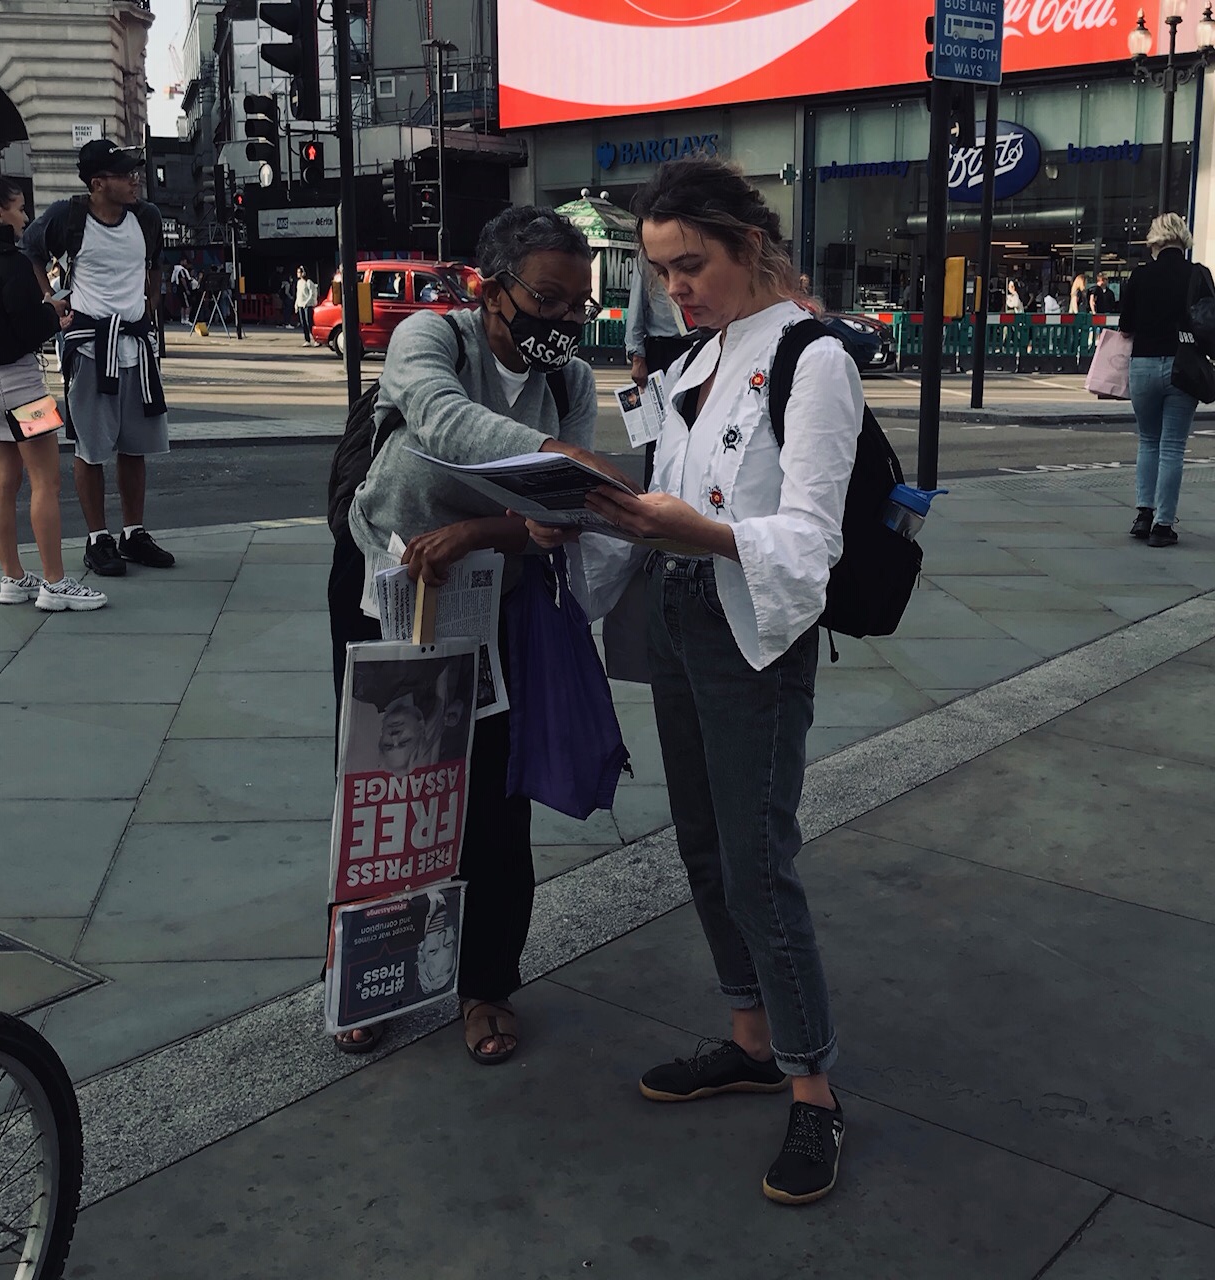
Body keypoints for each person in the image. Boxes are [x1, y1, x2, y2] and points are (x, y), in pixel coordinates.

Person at [532, 156, 860, 1205]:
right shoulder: (694, 359)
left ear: (749, 247)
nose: (675, 286)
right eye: (660, 270)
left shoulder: (814, 358)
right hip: (677, 612)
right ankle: (748, 1036)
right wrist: (588, 504)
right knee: (703, 841)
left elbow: (810, 539)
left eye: (690, 265)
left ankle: (812, 1090)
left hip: (749, 626)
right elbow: (660, 492)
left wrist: (700, 530)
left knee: (759, 855)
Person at [327, 205, 617, 1063]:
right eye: (550, 301)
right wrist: (561, 471)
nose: (565, 322)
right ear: (494, 292)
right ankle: (367, 971)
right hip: (384, 581)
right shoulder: (431, 339)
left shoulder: (572, 385)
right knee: (383, 787)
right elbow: (444, 424)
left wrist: (485, 529)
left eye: (579, 308)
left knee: (494, 798)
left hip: (500, 598)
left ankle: (487, 983)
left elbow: (558, 518)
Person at [0, 170, 106, 611]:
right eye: (19, 207)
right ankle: (55, 582)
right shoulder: (10, 262)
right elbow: (28, 325)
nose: (25, 214)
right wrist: (53, 314)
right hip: (22, 384)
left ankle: (13, 578)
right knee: (45, 482)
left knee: (2, 482)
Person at [21, 139, 174, 578]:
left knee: (135, 444)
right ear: (97, 183)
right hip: (90, 345)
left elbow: (155, 262)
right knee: (91, 447)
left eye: (134, 173)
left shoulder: (146, 217)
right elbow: (30, 251)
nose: (135, 180)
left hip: (136, 345)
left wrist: (153, 299)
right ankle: (97, 538)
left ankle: (133, 532)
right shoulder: (68, 217)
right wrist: (50, 298)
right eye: (125, 175)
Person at [1119, 213, 1205, 548]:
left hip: (1142, 364)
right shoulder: (1198, 275)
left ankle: (1143, 514)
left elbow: (1126, 324)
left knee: (1148, 442)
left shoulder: (1140, 275)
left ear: (1154, 240)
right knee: (1172, 447)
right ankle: (1163, 525)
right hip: (1183, 366)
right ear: (1183, 239)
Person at [625, 249, 696, 486]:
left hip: (698, 345)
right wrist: (637, 356)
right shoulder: (647, 256)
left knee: (694, 427)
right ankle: (654, 490)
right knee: (658, 433)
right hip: (662, 349)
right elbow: (636, 304)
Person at [171, 253, 196, 325]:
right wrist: (187, 289)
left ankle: (182, 319)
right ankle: (186, 319)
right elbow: (183, 279)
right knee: (188, 305)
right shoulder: (181, 270)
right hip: (183, 290)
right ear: (182, 261)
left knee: (183, 305)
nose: (186, 263)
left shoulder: (177, 269)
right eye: (185, 261)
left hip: (180, 289)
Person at [294, 265, 316, 345]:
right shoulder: (299, 282)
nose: (297, 274)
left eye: (299, 272)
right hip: (300, 304)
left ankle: (315, 339)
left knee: (309, 322)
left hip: (307, 305)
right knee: (303, 323)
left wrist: (307, 302)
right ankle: (307, 340)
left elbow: (311, 294)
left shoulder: (309, 282)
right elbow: (298, 294)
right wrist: (296, 304)